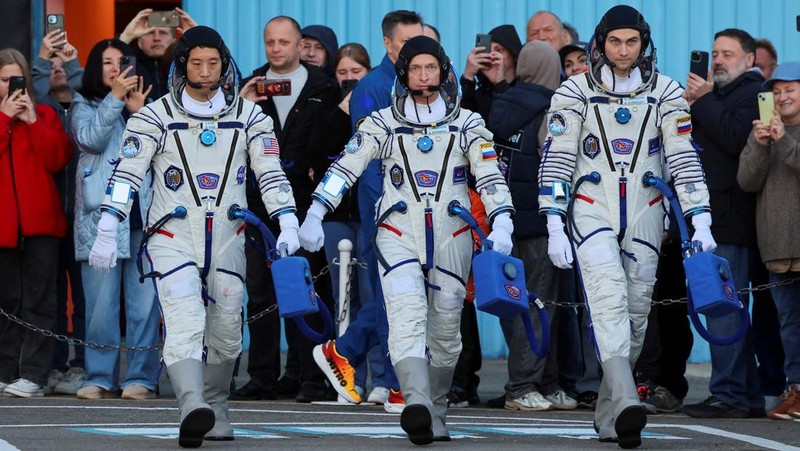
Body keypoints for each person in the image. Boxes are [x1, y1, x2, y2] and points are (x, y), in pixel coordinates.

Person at [87, 25, 301, 447]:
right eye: (197, 63)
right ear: (182, 67)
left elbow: (271, 173)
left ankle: (215, 406)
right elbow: (126, 174)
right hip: (173, 236)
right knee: (184, 318)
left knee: (226, 327)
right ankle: (192, 405)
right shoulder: (153, 117)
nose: (205, 72)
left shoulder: (250, 117)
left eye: (213, 63)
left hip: (228, 237)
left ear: (225, 66)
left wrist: (288, 219)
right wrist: (109, 224)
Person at [299, 35, 514, 445]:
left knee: (446, 332)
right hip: (397, 233)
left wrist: (502, 220)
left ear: (443, 72)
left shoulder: (468, 124)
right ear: (403, 74)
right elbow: (346, 167)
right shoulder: (382, 122)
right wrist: (315, 212)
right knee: (405, 316)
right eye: (415, 68)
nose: (423, 76)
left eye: (430, 68)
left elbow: (490, 176)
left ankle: (434, 406)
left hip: (452, 235)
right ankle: (415, 402)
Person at [538, 5, 715, 447]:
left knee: (635, 314)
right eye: (615, 42)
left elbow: (683, 158)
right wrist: (555, 221)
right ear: (601, 44)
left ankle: (611, 409)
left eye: (631, 42)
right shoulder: (574, 92)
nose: (623, 50)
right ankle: (627, 399)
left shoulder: (666, 93)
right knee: (607, 300)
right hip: (591, 208)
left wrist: (700, 217)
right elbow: (557, 160)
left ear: (643, 44)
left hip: (645, 211)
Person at [309, 9, 423, 412]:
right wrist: (381, 213)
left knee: (410, 295)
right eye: (406, 43)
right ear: (388, 44)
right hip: (385, 211)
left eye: (421, 40)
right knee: (392, 294)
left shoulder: (432, 83)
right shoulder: (373, 87)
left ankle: (350, 353)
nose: (416, 50)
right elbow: (369, 160)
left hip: (426, 211)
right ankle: (390, 381)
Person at [236, 15, 340, 404]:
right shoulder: (250, 85)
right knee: (260, 292)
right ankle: (262, 376)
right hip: (258, 204)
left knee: (306, 288)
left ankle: (310, 377)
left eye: (283, 42)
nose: (276, 49)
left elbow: (336, 139)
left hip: (306, 203)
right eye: (270, 42)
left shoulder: (323, 87)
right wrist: (242, 107)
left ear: (299, 45)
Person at [681, 28, 765, 420]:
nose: (717, 60)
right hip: (709, 218)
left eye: (727, 54)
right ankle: (744, 393)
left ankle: (729, 393)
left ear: (749, 60)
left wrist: (703, 100)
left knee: (724, 307)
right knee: (722, 305)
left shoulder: (754, 92)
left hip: (731, 221)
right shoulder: (716, 96)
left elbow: (734, 138)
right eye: (715, 53)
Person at [70, 39, 160, 402]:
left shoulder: (148, 104)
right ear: (95, 68)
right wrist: (115, 100)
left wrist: (139, 114)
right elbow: (90, 140)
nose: (114, 68)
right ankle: (99, 376)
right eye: (107, 62)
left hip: (143, 215)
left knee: (143, 305)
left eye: (121, 61)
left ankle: (141, 377)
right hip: (100, 220)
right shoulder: (82, 104)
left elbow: (161, 152)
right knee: (100, 307)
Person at [488, 40, 575, 412]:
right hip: (541, 223)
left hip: (503, 221)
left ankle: (546, 382)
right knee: (542, 306)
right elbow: (556, 171)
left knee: (515, 303)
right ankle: (523, 386)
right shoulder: (552, 111)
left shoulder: (500, 104)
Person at [306, 42, 389, 401]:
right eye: (343, 72)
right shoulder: (341, 107)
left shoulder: (388, 107)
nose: (349, 78)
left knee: (385, 295)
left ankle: (380, 375)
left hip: (395, 216)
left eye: (357, 71)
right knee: (362, 296)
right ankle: (356, 372)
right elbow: (335, 161)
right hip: (353, 216)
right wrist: (316, 211)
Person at [0, 48, 73, 397]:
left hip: (42, 227)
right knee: (6, 302)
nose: (11, 87)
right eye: (4, 80)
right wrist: (4, 119)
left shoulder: (43, 114)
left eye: (16, 79)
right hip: (3, 229)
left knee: (40, 302)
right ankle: (5, 371)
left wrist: (32, 121)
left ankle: (34, 375)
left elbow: (58, 158)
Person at [738, 61, 800, 421]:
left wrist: (783, 140)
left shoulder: (785, 135)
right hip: (778, 249)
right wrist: (761, 144)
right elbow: (747, 181)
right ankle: (796, 391)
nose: (782, 97)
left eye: (790, 89)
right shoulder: (765, 131)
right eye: (776, 92)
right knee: (789, 327)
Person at [31, 28, 88, 395]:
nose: (56, 68)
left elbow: (90, 89)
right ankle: (52, 366)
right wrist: (40, 58)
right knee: (49, 297)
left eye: (61, 64)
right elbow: (32, 93)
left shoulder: (87, 106)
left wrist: (72, 61)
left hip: (84, 220)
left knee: (85, 299)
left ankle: (82, 365)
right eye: (49, 66)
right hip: (49, 218)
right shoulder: (38, 111)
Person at [119, 7, 197, 98]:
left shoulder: (184, 64)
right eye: (150, 33)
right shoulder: (129, 63)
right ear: (139, 42)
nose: (157, 38)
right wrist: (126, 37)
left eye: (163, 33)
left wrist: (197, 37)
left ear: (173, 40)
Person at [460, 24, 522, 119]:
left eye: (499, 50)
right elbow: (464, 120)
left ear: (514, 56)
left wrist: (500, 84)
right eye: (488, 50)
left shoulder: (525, 90)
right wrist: (468, 77)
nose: (492, 55)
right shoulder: (481, 94)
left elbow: (516, 117)